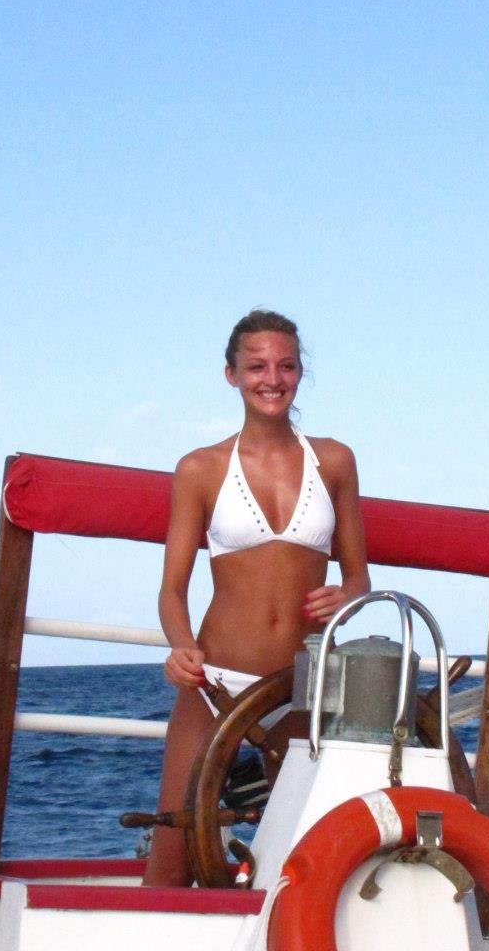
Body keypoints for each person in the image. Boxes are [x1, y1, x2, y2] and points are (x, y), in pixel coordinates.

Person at [143, 309, 370, 887]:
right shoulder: (200, 468)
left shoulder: (335, 461)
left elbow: (359, 579)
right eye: (257, 367)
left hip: (302, 686)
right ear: (232, 375)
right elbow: (172, 590)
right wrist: (181, 647)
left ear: (300, 373)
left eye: (286, 366)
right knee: (171, 851)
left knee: (303, 862)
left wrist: (344, 596)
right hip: (215, 682)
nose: (273, 379)